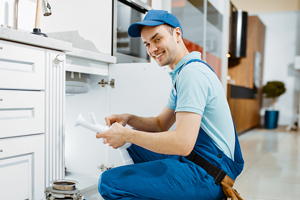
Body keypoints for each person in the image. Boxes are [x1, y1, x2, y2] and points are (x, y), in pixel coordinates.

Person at [96, 10, 244, 200]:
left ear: (177, 34)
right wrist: (129, 119)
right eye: (147, 44)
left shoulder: (192, 75)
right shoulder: (183, 73)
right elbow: (159, 124)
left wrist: (126, 134)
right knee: (133, 144)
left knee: (110, 182)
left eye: (157, 39)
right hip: (199, 160)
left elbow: (182, 144)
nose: (152, 49)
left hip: (211, 173)